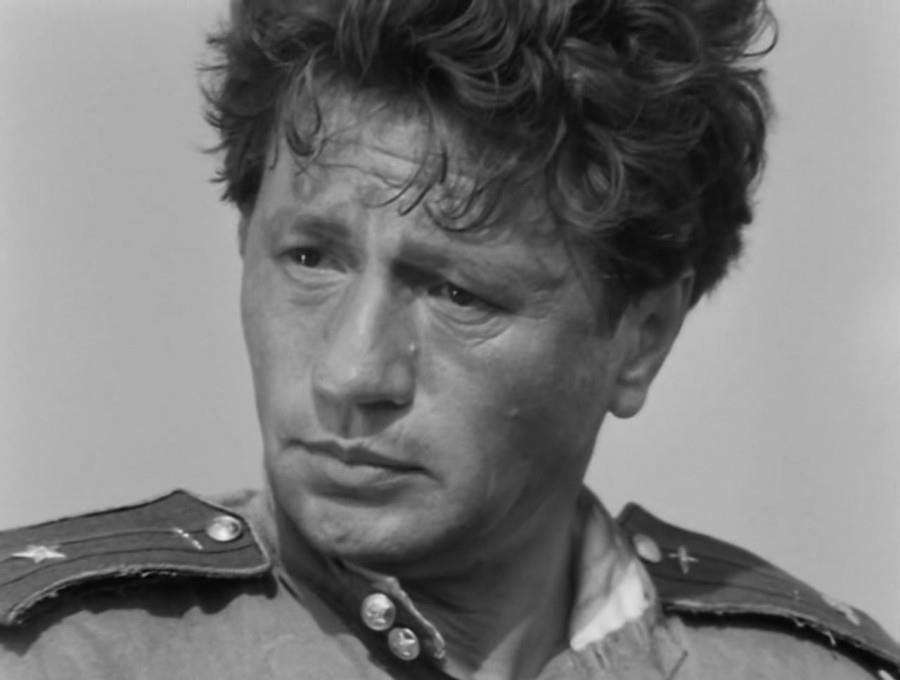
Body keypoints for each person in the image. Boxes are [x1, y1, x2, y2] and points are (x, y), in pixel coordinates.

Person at [1, 0, 898, 678]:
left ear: (642, 339)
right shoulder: (54, 656)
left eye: (458, 293)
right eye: (310, 258)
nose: (350, 372)